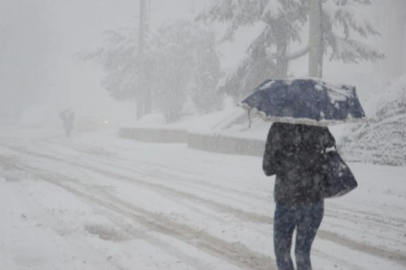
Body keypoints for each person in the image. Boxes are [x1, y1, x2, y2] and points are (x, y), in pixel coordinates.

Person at [263, 122, 336, 270]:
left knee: (282, 252)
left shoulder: (279, 127)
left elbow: (267, 168)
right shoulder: (319, 127)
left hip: (287, 200)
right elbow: (331, 155)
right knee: (302, 253)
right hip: (313, 201)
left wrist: (287, 160)